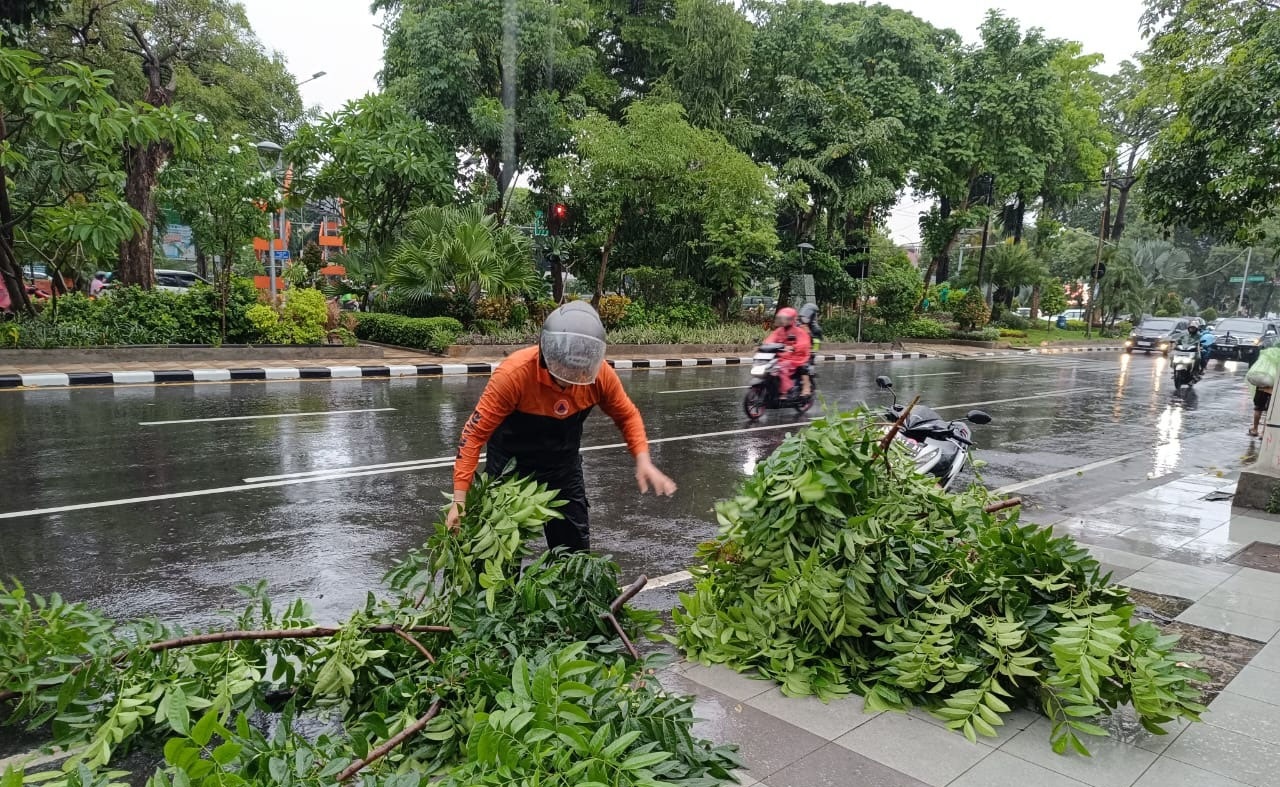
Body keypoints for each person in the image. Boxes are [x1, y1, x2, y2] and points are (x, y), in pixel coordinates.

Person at [445, 301, 677, 552]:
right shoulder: (514, 375)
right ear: (548, 355)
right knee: (498, 554)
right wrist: (459, 500)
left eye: (579, 372)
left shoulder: (600, 376)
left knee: (574, 556)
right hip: (509, 470)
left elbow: (627, 415)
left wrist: (643, 459)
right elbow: (473, 435)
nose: (571, 380)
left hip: (563, 469)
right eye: (564, 370)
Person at [763, 306, 812, 400]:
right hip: (783, 357)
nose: (783, 321)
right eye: (782, 319)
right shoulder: (779, 330)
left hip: (797, 357)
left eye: (786, 319)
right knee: (771, 368)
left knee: (782, 368)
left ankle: (786, 391)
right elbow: (770, 339)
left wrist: (793, 347)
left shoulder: (799, 331)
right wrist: (764, 346)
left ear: (792, 319)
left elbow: (804, 343)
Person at [797, 303, 823, 397]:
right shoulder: (798, 324)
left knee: (803, 366)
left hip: (807, 354)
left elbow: (815, 345)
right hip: (795, 351)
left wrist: (811, 353)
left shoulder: (816, 329)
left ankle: (806, 388)